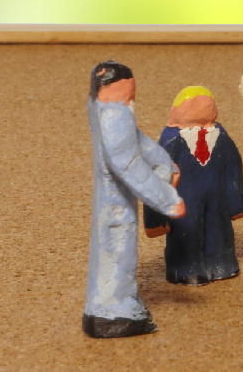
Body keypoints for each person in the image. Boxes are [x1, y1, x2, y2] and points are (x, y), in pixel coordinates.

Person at [83, 61, 185, 338]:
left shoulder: (105, 108)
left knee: (115, 251)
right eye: (128, 92)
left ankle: (112, 307)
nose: (132, 97)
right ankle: (112, 312)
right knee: (118, 252)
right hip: (115, 201)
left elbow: (136, 141)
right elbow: (127, 163)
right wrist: (166, 199)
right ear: (111, 88)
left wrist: (165, 165)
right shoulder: (115, 114)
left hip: (115, 198)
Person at [143, 86, 243, 285]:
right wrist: (156, 218)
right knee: (186, 231)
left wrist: (237, 204)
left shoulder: (221, 137)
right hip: (184, 198)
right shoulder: (170, 142)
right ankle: (186, 268)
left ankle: (221, 263)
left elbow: (233, 169)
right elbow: (156, 178)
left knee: (219, 230)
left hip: (217, 199)